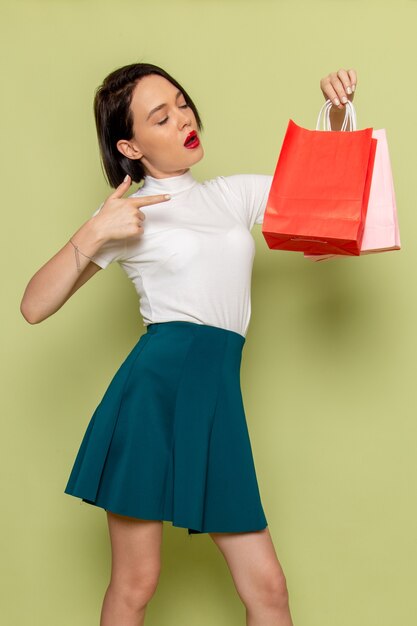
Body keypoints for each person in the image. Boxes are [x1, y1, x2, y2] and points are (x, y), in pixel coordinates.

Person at [20, 63, 357, 626]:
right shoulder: (129, 216)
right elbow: (34, 305)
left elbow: (331, 209)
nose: (184, 119)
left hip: (216, 391)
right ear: (130, 145)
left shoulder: (233, 196)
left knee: (267, 588)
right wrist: (94, 232)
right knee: (136, 582)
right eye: (161, 116)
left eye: (181, 103)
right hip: (153, 391)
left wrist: (339, 116)